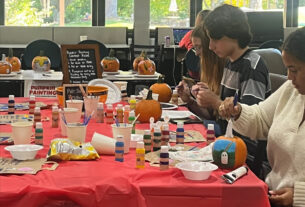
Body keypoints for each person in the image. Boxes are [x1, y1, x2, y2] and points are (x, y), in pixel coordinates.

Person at [219, 27, 305, 207]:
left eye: (294, 70)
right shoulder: (292, 90)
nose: (289, 77)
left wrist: (299, 197)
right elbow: (261, 119)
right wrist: (239, 111)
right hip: (272, 194)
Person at [194, 4, 271, 133]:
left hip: (244, 148)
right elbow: (224, 115)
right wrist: (209, 97)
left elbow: (250, 122)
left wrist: (215, 101)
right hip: (226, 137)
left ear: (233, 35)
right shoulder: (230, 63)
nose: (210, 47)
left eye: (215, 40)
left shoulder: (251, 67)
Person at [177, 24, 225, 121]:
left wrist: (214, 100)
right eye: (195, 48)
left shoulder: (226, 71)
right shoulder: (208, 70)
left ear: (211, 46)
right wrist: (190, 100)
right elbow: (210, 116)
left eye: (199, 47)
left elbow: (221, 121)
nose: (197, 53)